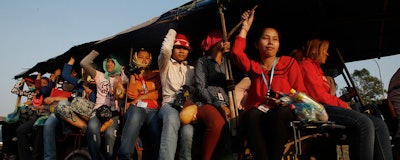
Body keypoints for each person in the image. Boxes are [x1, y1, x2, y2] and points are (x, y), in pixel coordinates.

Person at [230, 10, 308, 160]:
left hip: (284, 110)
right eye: (266, 38)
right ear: (256, 44)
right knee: (251, 115)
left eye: (275, 39)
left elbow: (300, 92)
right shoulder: (255, 67)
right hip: (260, 112)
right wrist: (245, 27)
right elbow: (236, 54)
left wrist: (285, 101)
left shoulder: (288, 63)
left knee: (278, 114)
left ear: (279, 45)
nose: (271, 42)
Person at [298, 38, 393, 160]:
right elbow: (319, 96)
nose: (327, 54)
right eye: (325, 50)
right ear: (315, 51)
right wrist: (343, 104)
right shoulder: (306, 66)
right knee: (364, 123)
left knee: (379, 124)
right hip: (319, 109)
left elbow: (329, 96)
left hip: (328, 107)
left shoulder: (318, 69)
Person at [43, 57, 96, 160]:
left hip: (87, 115)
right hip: (71, 112)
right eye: (84, 70)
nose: (85, 73)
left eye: (88, 70)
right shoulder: (80, 84)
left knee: (64, 103)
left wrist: (90, 90)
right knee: (49, 123)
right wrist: (72, 58)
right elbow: (65, 75)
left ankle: (74, 129)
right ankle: (49, 158)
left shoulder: (99, 85)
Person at [193, 29, 233, 160]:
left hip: (227, 103)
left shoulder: (227, 63)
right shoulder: (203, 61)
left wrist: (229, 105)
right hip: (206, 102)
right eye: (221, 39)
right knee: (217, 123)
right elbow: (201, 87)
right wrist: (218, 105)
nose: (225, 41)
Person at [80, 50, 127, 160]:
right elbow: (84, 63)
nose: (109, 64)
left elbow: (123, 93)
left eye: (112, 62)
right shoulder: (99, 75)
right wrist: (97, 51)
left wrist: (122, 77)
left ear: (118, 64)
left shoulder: (122, 78)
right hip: (98, 110)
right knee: (91, 128)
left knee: (110, 135)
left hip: (114, 112)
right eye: (107, 61)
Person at [157, 28, 195, 160]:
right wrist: (173, 30)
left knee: (188, 133)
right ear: (173, 48)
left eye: (184, 48)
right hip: (169, 105)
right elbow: (165, 50)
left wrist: (193, 110)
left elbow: (195, 92)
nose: (181, 51)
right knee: (172, 119)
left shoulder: (191, 70)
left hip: (186, 108)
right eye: (177, 47)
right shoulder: (165, 64)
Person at [118, 48, 162, 160]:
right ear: (135, 59)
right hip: (137, 108)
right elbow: (132, 95)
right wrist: (132, 76)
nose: (144, 60)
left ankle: (159, 157)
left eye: (147, 58)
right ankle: (124, 156)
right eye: (141, 57)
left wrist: (143, 97)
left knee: (156, 126)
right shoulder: (131, 75)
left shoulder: (156, 74)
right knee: (135, 115)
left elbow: (160, 92)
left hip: (153, 108)